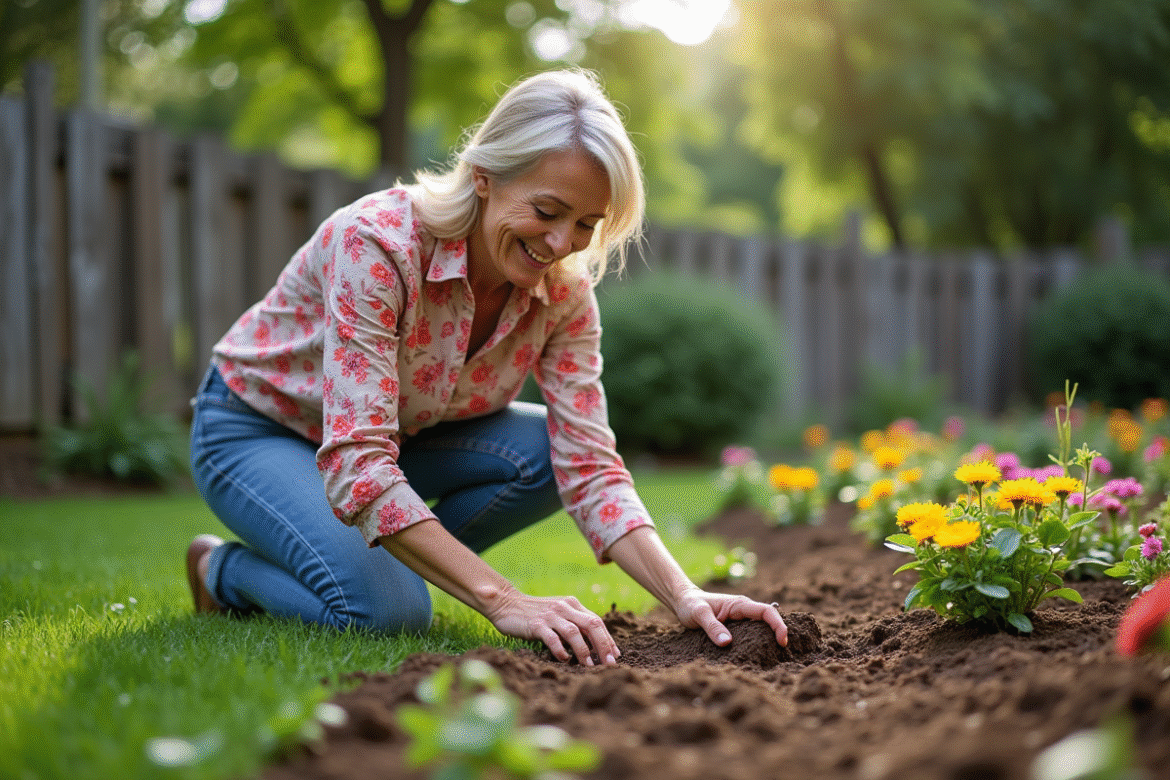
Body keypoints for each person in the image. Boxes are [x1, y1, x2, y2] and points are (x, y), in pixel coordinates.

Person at [186, 68, 787, 666]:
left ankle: (388, 565)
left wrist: (684, 595)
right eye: (547, 211)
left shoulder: (563, 293)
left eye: (585, 224)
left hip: (397, 441)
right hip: (258, 429)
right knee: (385, 611)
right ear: (483, 177)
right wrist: (503, 599)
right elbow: (358, 461)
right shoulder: (377, 246)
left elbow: (589, 464)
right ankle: (223, 569)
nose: (560, 244)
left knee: (544, 448)